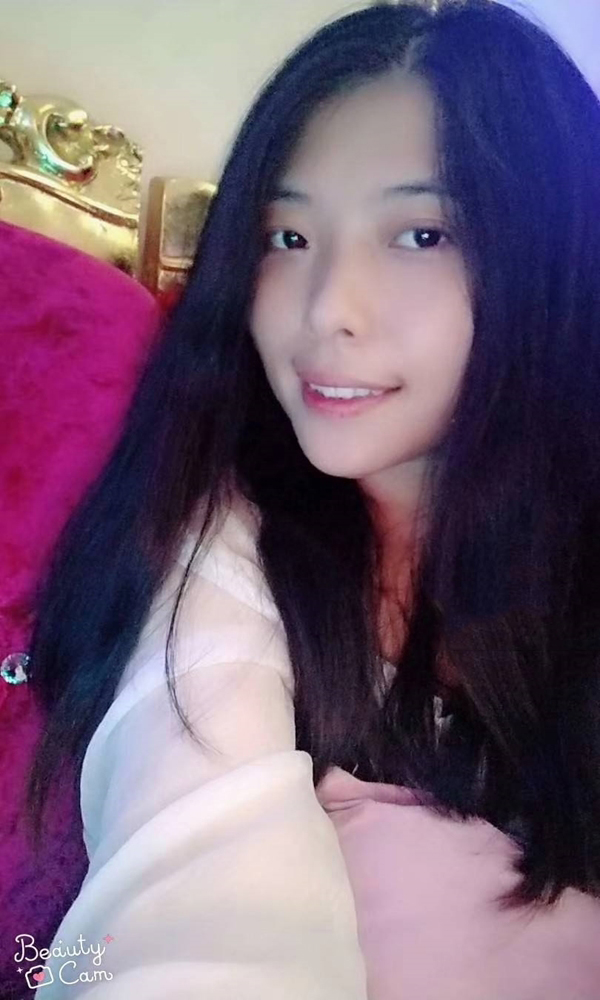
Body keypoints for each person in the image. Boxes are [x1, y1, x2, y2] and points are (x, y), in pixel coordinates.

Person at [21, 0, 600, 996]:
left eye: (421, 233)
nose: (328, 306)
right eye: (285, 236)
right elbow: (197, 924)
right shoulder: (213, 544)